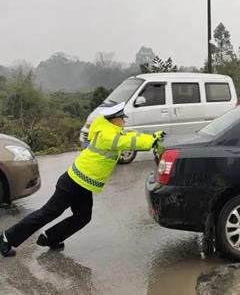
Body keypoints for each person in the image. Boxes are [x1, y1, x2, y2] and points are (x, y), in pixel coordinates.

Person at [1, 102, 164, 257]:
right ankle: (7, 238)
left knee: (83, 217)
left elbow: (131, 135)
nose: (124, 122)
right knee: (48, 213)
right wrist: (151, 142)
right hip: (73, 183)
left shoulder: (112, 130)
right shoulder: (106, 135)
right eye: (123, 118)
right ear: (115, 119)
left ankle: (50, 238)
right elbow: (127, 141)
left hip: (83, 184)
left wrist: (153, 136)